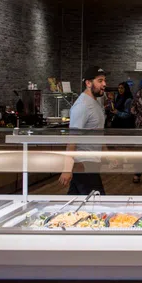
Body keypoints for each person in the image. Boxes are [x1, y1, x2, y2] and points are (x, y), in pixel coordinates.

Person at [59, 66, 108, 195]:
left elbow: (97, 131)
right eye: (100, 81)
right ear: (88, 83)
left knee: (74, 203)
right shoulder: (82, 106)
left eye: (104, 81)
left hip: (91, 163)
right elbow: (72, 139)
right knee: (98, 204)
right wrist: (67, 169)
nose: (104, 84)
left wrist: (106, 153)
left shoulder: (95, 103)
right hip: (84, 164)